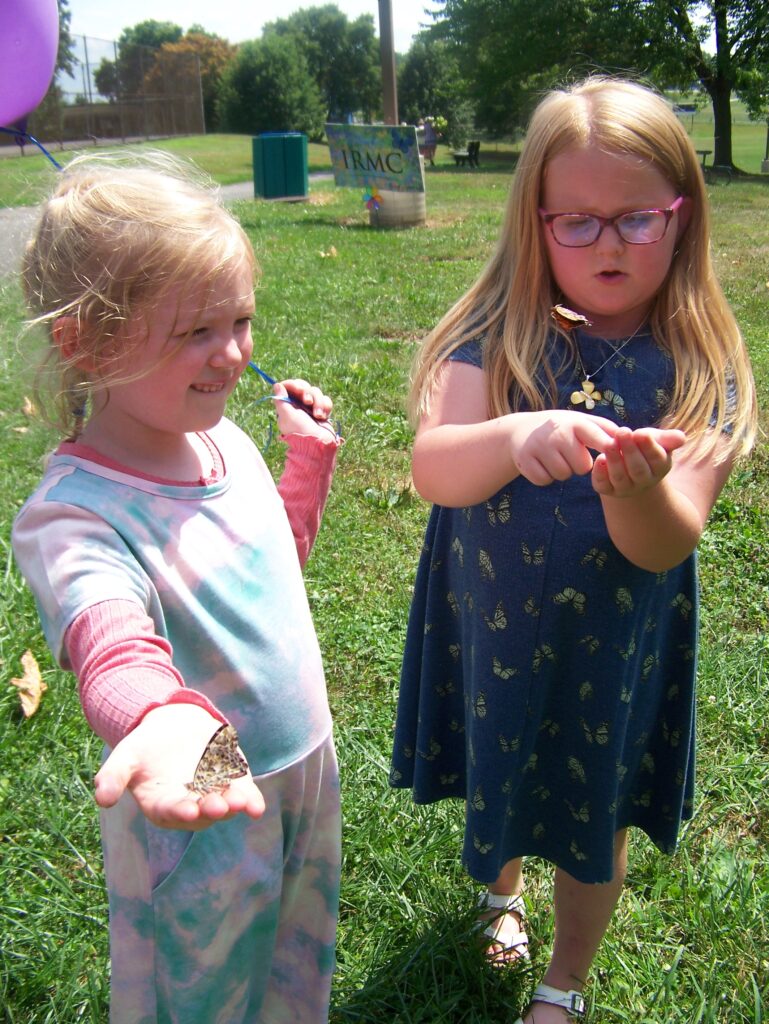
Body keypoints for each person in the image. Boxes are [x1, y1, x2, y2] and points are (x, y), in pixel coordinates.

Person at [390, 76, 756, 1023]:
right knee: (501, 760)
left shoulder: (698, 361)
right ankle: (500, 892)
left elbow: (667, 541)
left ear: (681, 218)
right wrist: (514, 437)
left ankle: (562, 985)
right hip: (494, 623)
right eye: (577, 223)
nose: (607, 244)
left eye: (636, 220)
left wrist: (635, 497)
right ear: (534, 221)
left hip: (610, 640)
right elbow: (435, 467)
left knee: (589, 804)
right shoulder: (493, 332)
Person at [12, 152, 342, 1023]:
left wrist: (303, 467)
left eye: (240, 320)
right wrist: (159, 713)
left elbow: (270, 565)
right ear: (84, 341)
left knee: (293, 970)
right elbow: (107, 635)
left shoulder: (224, 441)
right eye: (194, 331)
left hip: (304, 768)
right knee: (200, 997)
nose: (231, 353)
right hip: (199, 794)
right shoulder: (75, 515)